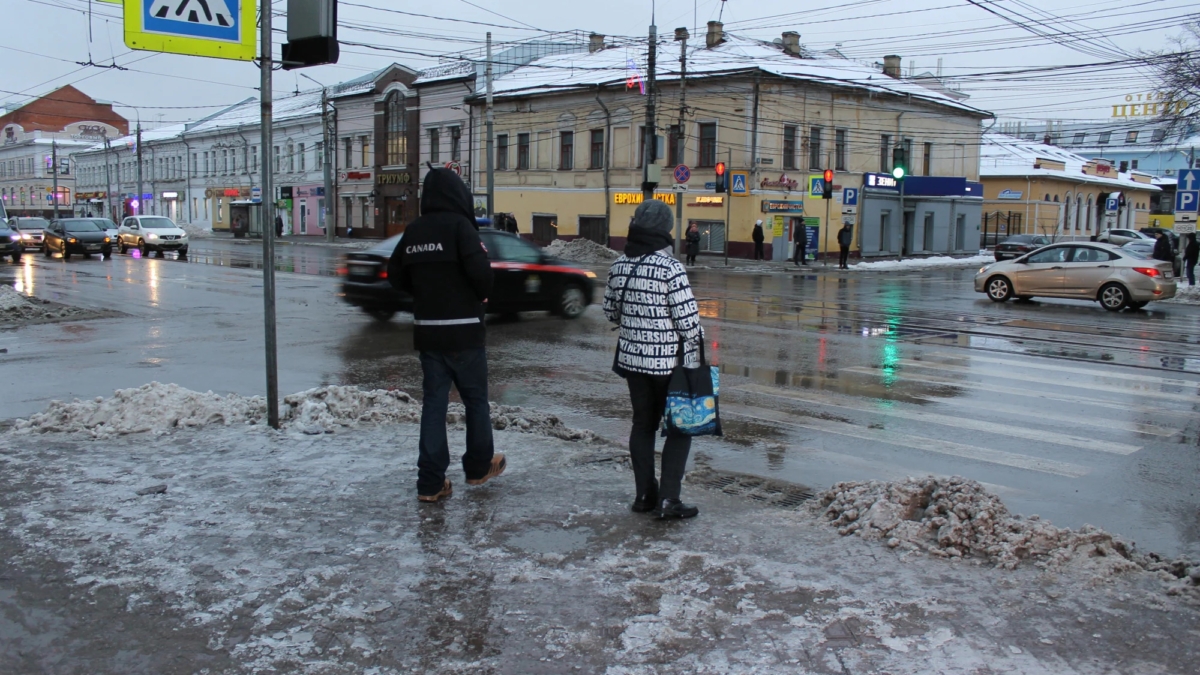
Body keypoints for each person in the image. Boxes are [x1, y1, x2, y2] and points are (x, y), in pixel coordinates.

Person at [392, 168, 502, 503]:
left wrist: (424, 294)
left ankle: (430, 482)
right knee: (475, 402)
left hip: (428, 335)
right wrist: (477, 296)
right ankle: (479, 466)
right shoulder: (461, 228)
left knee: (434, 406)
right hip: (465, 333)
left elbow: (395, 275)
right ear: (458, 195)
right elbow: (483, 276)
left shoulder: (414, 230)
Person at [603, 199, 703, 519]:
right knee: (679, 428)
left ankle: (645, 495)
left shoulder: (619, 265)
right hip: (668, 363)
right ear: (665, 229)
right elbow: (688, 322)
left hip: (633, 363)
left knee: (642, 425)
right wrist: (698, 364)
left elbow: (610, 312)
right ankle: (669, 499)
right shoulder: (669, 267)